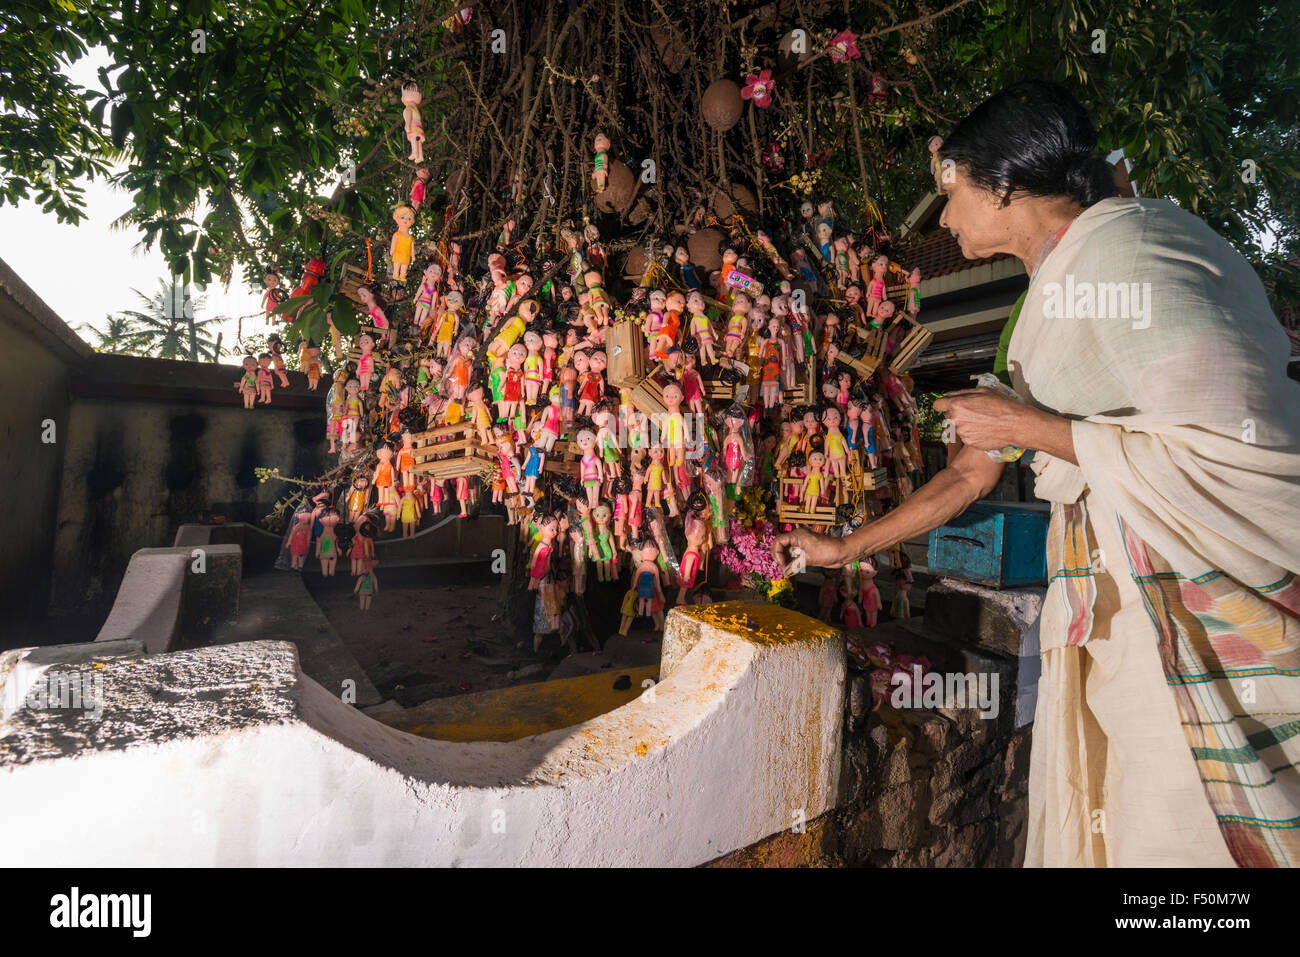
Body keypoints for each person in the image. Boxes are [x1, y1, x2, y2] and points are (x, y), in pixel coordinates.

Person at [772, 80, 1300, 868]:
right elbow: (967, 476)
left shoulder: (1134, 251)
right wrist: (845, 549)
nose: (944, 218)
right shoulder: (1039, 305)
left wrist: (1034, 428)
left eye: (951, 194)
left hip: (1194, 610)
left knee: (1187, 835)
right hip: (1113, 616)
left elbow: (1240, 443)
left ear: (1006, 185)